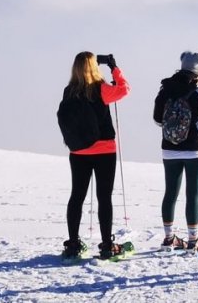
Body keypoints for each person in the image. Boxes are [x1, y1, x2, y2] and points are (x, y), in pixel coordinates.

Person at [61, 52, 129, 260]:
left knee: (77, 196)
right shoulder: (101, 89)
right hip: (104, 151)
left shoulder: (69, 91)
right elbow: (124, 89)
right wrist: (114, 67)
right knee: (104, 197)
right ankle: (107, 246)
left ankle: (73, 244)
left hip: (78, 151)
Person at [152, 50, 198, 254]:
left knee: (170, 193)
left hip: (169, 148)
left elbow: (157, 119)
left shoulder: (166, 88)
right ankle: (193, 241)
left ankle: (169, 239)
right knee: (192, 195)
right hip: (195, 150)